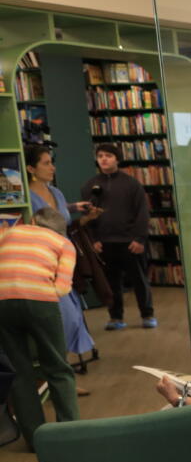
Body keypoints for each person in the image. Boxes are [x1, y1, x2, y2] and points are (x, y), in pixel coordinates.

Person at [0, 208, 80, 451]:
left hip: (2, 301)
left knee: (19, 372)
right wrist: (41, 293)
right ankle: (69, 436)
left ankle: (36, 440)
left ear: (33, 221)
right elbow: (63, 288)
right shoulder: (64, 244)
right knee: (58, 368)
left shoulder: (9, 233)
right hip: (41, 301)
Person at [25, 145, 102, 374]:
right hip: (42, 264)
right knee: (60, 317)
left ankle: (62, 373)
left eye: (52, 162)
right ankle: (58, 374)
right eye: (46, 163)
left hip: (65, 263)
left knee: (71, 317)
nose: (52, 168)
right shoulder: (26, 198)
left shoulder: (57, 194)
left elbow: (66, 225)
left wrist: (87, 218)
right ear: (31, 168)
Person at [81, 143, 156, 330]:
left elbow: (142, 213)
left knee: (139, 281)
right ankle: (116, 317)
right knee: (111, 283)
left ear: (117, 159)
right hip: (104, 243)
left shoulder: (131, 184)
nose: (104, 159)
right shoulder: (90, 185)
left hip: (130, 242)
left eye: (108, 156)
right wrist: (94, 240)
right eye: (100, 156)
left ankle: (147, 315)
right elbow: (87, 216)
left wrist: (139, 239)